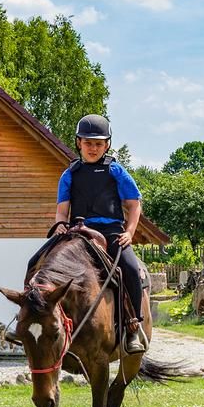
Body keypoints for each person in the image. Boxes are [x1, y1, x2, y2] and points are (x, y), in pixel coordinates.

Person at [52, 114, 147, 354]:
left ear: (107, 145)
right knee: (40, 262)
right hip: (79, 233)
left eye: (98, 143)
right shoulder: (69, 175)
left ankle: (133, 326)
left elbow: (134, 204)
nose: (93, 148)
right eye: (88, 143)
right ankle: (37, 318)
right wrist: (61, 225)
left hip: (112, 232)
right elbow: (62, 211)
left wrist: (130, 232)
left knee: (130, 269)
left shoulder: (116, 171)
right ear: (78, 143)